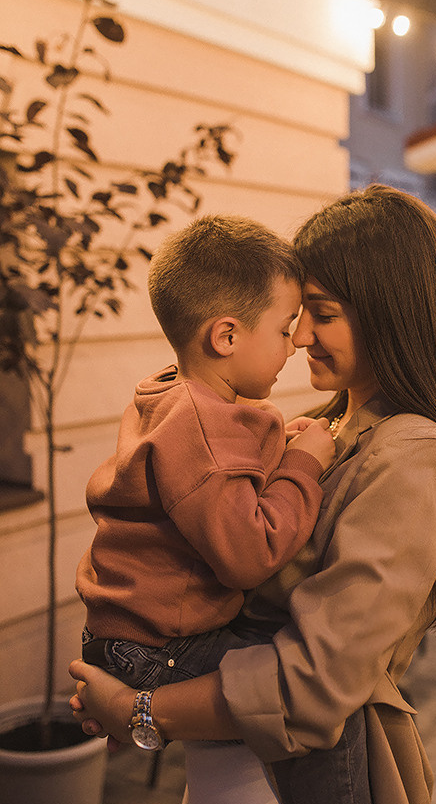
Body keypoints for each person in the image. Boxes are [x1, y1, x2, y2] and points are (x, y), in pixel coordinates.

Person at [71, 185, 436, 804]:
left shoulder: (410, 450)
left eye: (319, 313)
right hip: (235, 774)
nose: (299, 336)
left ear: (390, 314)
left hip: (291, 783)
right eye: (296, 314)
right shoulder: (320, 426)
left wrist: (140, 707)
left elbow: (316, 679)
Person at [76, 213, 335, 700]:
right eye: (284, 330)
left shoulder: (173, 399)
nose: (296, 345)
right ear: (227, 337)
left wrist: (279, 444)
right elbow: (250, 556)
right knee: (306, 685)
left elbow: (214, 474)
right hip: (160, 647)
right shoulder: (201, 425)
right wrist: (305, 466)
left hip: (126, 636)